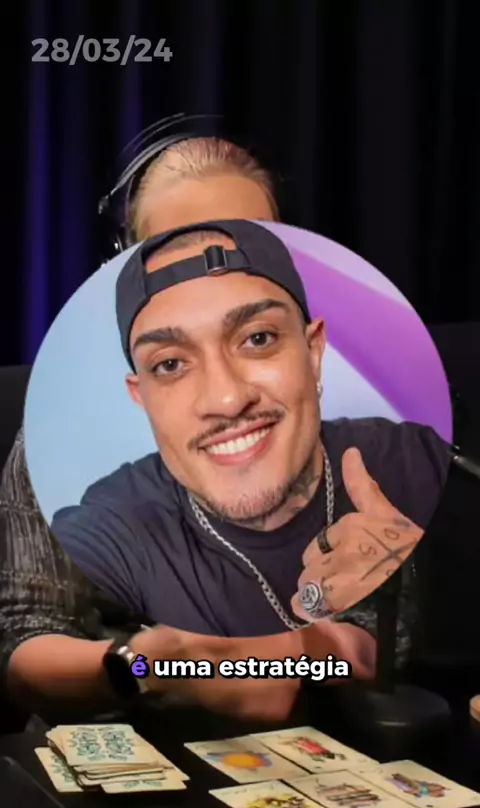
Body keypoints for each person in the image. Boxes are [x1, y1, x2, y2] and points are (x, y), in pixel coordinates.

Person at [0, 136, 381, 723]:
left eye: (244, 247)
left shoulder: (366, 441)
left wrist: (303, 652)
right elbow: (24, 641)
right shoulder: (62, 437)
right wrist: (153, 667)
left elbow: (373, 643)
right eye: (178, 256)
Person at [48, 219, 449, 651]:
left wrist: (420, 576)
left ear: (313, 351)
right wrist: (146, 666)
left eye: (258, 338)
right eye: (170, 364)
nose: (226, 399)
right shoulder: (111, 527)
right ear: (141, 395)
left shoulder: (420, 463)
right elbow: (27, 632)